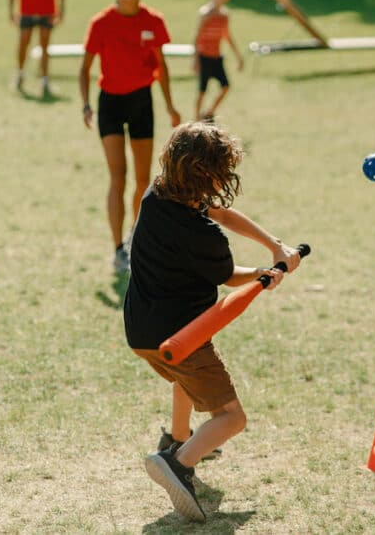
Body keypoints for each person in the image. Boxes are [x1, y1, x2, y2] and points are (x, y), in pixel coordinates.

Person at [125, 122, 302, 522]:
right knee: (231, 418)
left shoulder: (156, 195)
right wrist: (264, 272)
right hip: (182, 338)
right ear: (211, 175)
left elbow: (221, 212)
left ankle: (177, 437)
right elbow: (229, 277)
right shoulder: (205, 238)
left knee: (183, 381)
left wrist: (274, 247)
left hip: (140, 331)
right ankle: (178, 463)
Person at [79, 0, 181, 273]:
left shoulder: (153, 20)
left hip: (141, 101)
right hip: (110, 102)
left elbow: (161, 68)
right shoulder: (101, 23)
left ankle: (135, 236)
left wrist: (170, 105)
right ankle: (116, 249)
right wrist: (86, 105)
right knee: (118, 177)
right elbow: (84, 69)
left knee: (142, 179)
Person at [193, 0, 243, 121]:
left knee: (225, 86)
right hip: (204, 57)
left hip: (217, 57)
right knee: (202, 91)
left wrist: (238, 56)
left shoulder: (225, 15)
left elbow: (227, 36)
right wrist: (195, 60)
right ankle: (195, 120)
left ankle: (209, 112)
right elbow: (197, 37)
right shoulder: (205, 14)